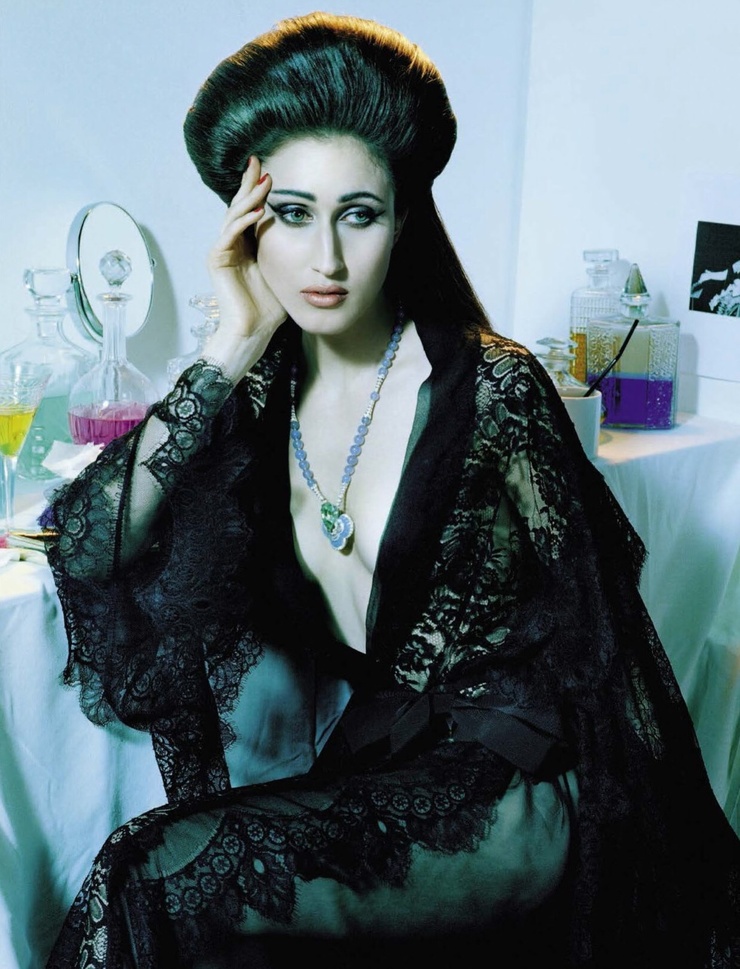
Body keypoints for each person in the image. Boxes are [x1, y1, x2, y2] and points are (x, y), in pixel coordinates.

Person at [44, 11, 738, 969]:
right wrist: (230, 343)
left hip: (520, 797)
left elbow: (606, 649)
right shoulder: (257, 398)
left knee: (148, 872)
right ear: (247, 223)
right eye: (293, 214)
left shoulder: (493, 388)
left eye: (358, 214)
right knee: (164, 886)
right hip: (388, 773)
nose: (325, 260)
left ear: (403, 219)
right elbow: (87, 543)